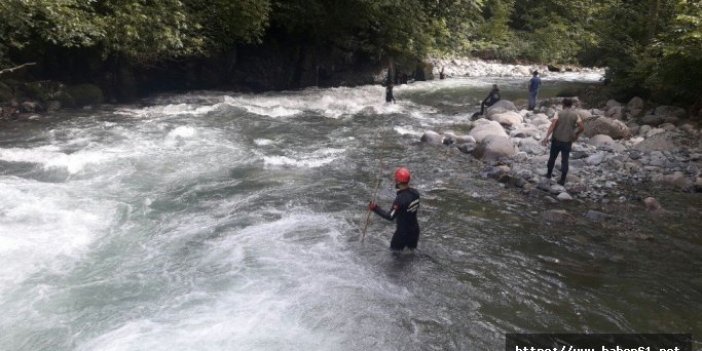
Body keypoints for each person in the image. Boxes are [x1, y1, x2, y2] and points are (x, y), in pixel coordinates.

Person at [368, 167, 420, 251]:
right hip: (415, 231)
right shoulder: (415, 193)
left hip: (402, 234)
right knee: (411, 254)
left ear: (398, 181)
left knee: (394, 256)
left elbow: (390, 216)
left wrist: (375, 208)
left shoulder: (400, 199)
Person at [541, 98, 585, 185]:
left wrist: (546, 137)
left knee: (552, 158)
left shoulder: (558, 113)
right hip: (567, 141)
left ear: (563, 105)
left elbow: (553, 125)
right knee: (565, 160)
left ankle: (549, 175)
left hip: (556, 139)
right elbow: (582, 127)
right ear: (571, 105)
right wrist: (575, 134)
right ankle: (562, 180)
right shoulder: (576, 115)